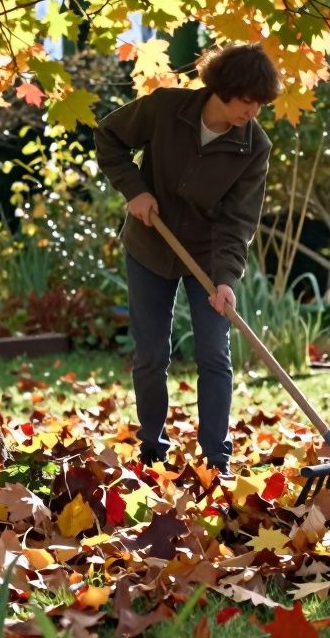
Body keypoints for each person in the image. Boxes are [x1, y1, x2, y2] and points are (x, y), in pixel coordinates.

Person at [94, 42, 280, 476]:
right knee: (151, 354)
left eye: (261, 104)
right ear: (223, 88)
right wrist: (135, 189)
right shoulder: (166, 109)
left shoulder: (253, 145)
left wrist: (226, 279)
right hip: (150, 245)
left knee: (215, 354)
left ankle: (217, 459)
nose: (253, 113)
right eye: (247, 101)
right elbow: (109, 137)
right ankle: (152, 450)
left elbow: (239, 219)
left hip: (207, 256)